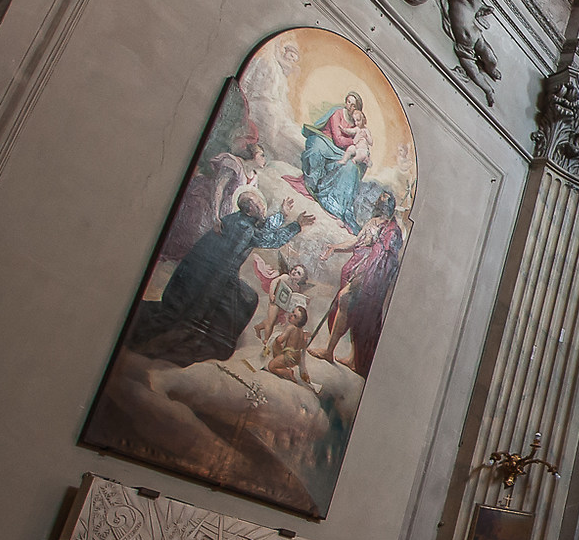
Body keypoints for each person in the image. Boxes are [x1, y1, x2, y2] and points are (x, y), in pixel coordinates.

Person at [129, 192, 314, 366]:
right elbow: (268, 239)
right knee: (243, 301)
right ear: (249, 210)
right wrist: (296, 225)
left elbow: (262, 228)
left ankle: (212, 336)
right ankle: (212, 341)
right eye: (258, 205)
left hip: (210, 271)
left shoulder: (240, 220)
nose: (263, 207)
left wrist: (282, 214)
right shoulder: (243, 227)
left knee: (245, 298)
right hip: (215, 276)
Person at [311, 191, 405, 375]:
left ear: (390, 206)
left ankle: (331, 352)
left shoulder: (392, 230)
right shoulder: (373, 223)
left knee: (347, 300)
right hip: (359, 269)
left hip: (370, 276)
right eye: (380, 199)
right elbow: (358, 242)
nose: (380, 202)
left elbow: (386, 258)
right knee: (352, 308)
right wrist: (335, 248)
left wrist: (369, 271)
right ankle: (350, 358)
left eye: (385, 200)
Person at [295, 91, 373, 231]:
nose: (349, 106)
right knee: (316, 148)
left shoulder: (357, 124)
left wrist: (361, 147)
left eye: (353, 105)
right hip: (326, 141)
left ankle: (335, 205)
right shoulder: (338, 113)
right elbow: (338, 139)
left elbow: (364, 145)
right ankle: (312, 185)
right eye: (348, 102)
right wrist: (357, 143)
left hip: (341, 152)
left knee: (351, 168)